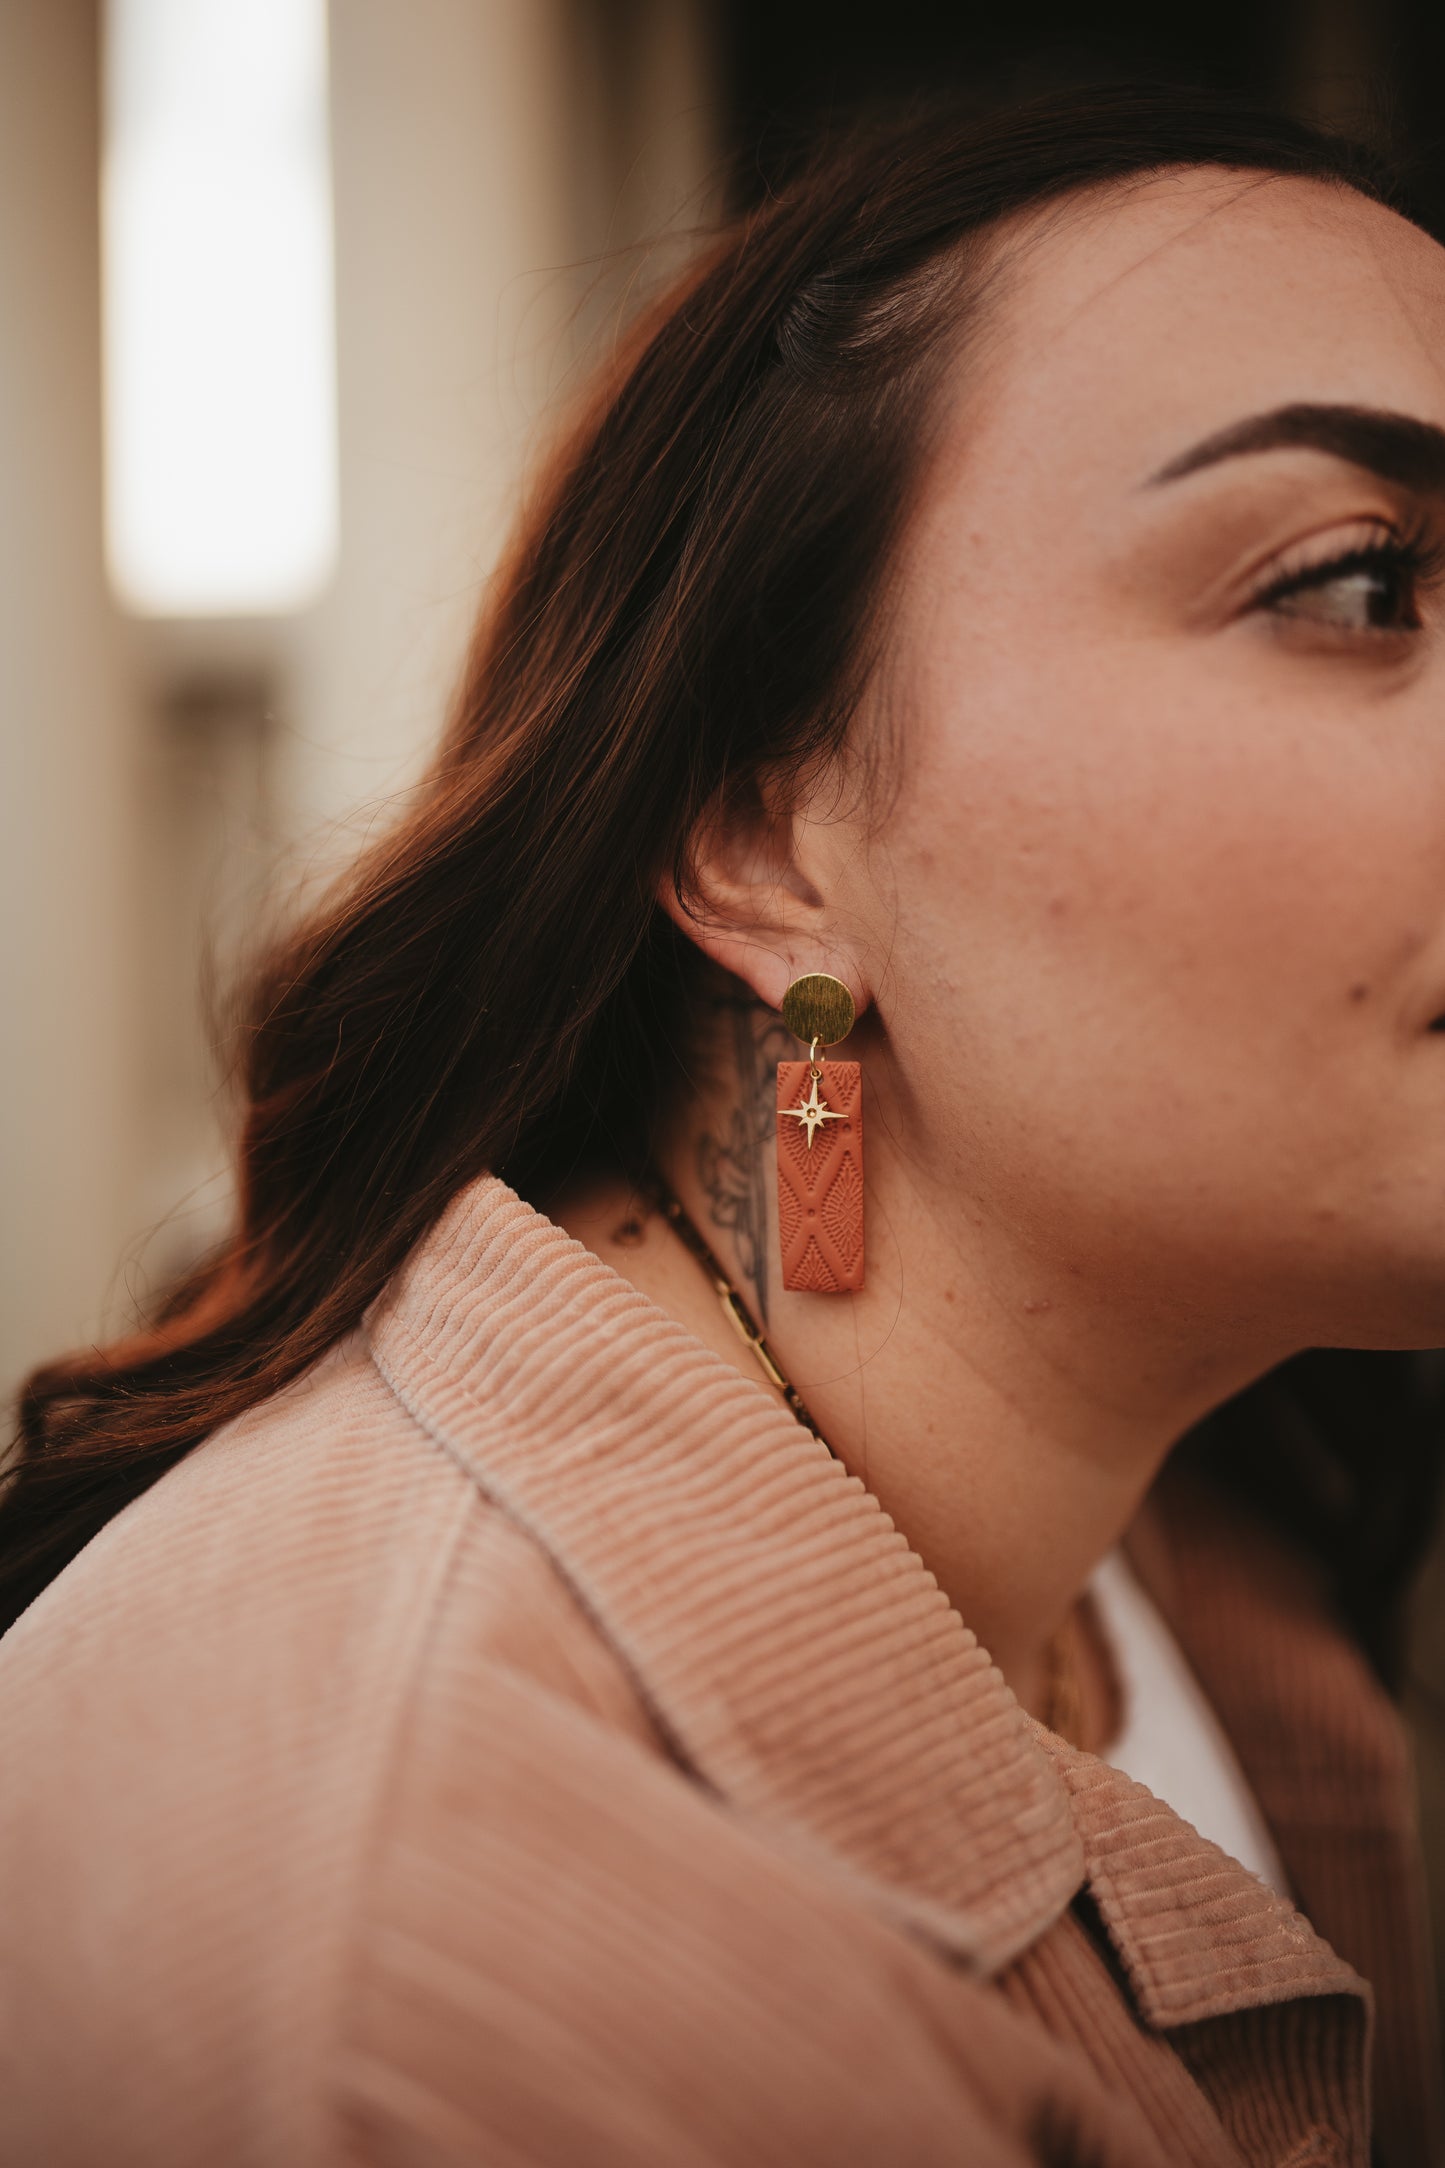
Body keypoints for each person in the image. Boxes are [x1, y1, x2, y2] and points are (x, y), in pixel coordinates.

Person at [1, 82, 1442, 2168]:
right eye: (1360, 584)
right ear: (770, 840)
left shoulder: (1183, 1515)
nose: (1404, 624)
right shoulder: (458, 1992)